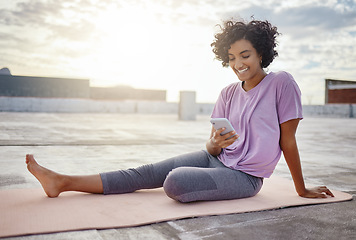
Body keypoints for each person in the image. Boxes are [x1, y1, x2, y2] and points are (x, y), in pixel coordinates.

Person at [26, 19, 334, 202]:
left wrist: (301, 188)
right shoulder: (227, 92)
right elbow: (211, 144)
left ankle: (65, 182)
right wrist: (215, 145)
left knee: (174, 181)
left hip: (245, 178)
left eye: (245, 55)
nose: (238, 64)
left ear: (261, 53)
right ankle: (62, 181)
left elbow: (288, 140)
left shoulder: (282, 83)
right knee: (144, 173)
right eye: (231, 58)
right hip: (216, 159)